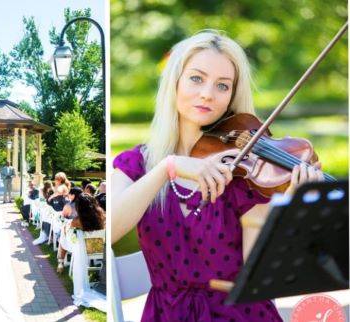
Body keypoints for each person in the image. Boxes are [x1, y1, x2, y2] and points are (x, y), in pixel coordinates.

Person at [112, 31, 325, 322]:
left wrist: (291, 210)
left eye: (222, 86)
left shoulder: (246, 172)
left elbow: (257, 276)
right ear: (174, 82)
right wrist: (167, 168)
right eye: (196, 78)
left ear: (231, 98)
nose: (207, 94)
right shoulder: (136, 164)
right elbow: (107, 231)